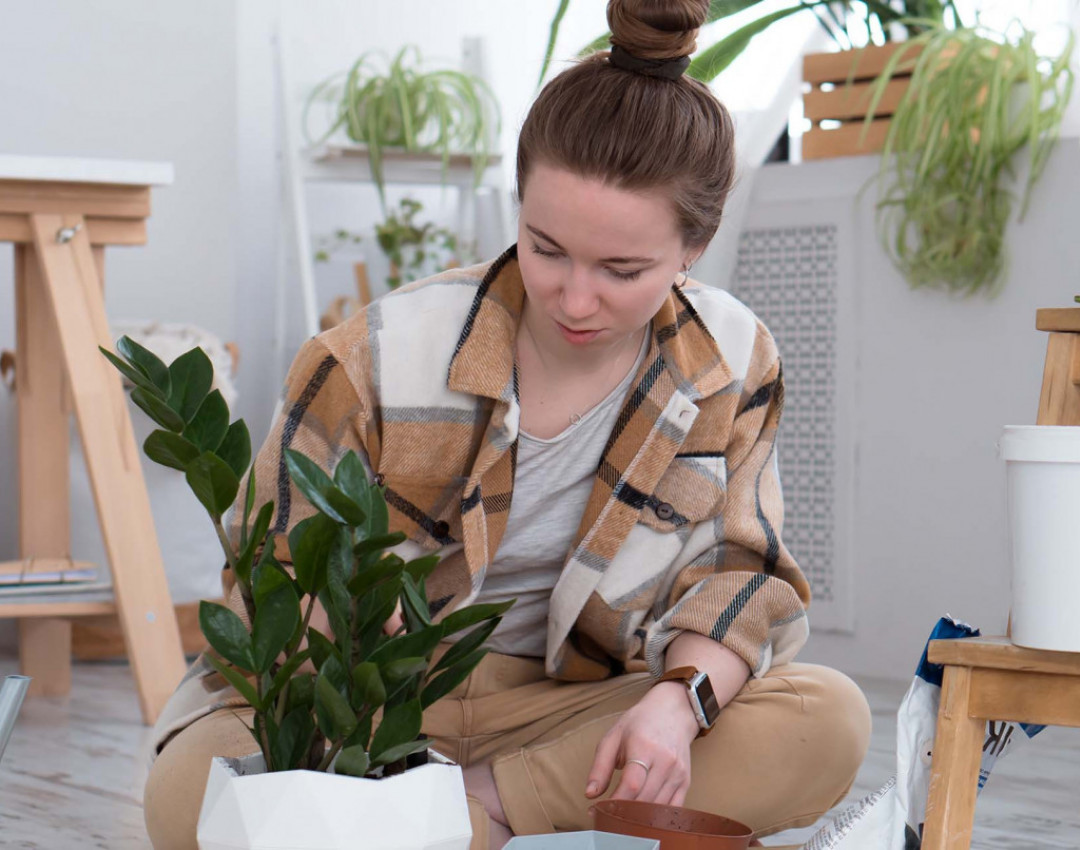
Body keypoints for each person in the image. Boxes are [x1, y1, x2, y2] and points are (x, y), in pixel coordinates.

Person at [143, 2, 871, 847]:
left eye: (622, 269)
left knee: (826, 718)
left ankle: (469, 814)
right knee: (188, 799)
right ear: (518, 205)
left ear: (693, 247)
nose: (574, 297)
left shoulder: (732, 358)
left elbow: (741, 569)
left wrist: (679, 704)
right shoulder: (374, 359)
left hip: (567, 710)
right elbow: (277, 582)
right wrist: (350, 744)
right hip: (358, 705)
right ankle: (482, 822)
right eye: (546, 246)